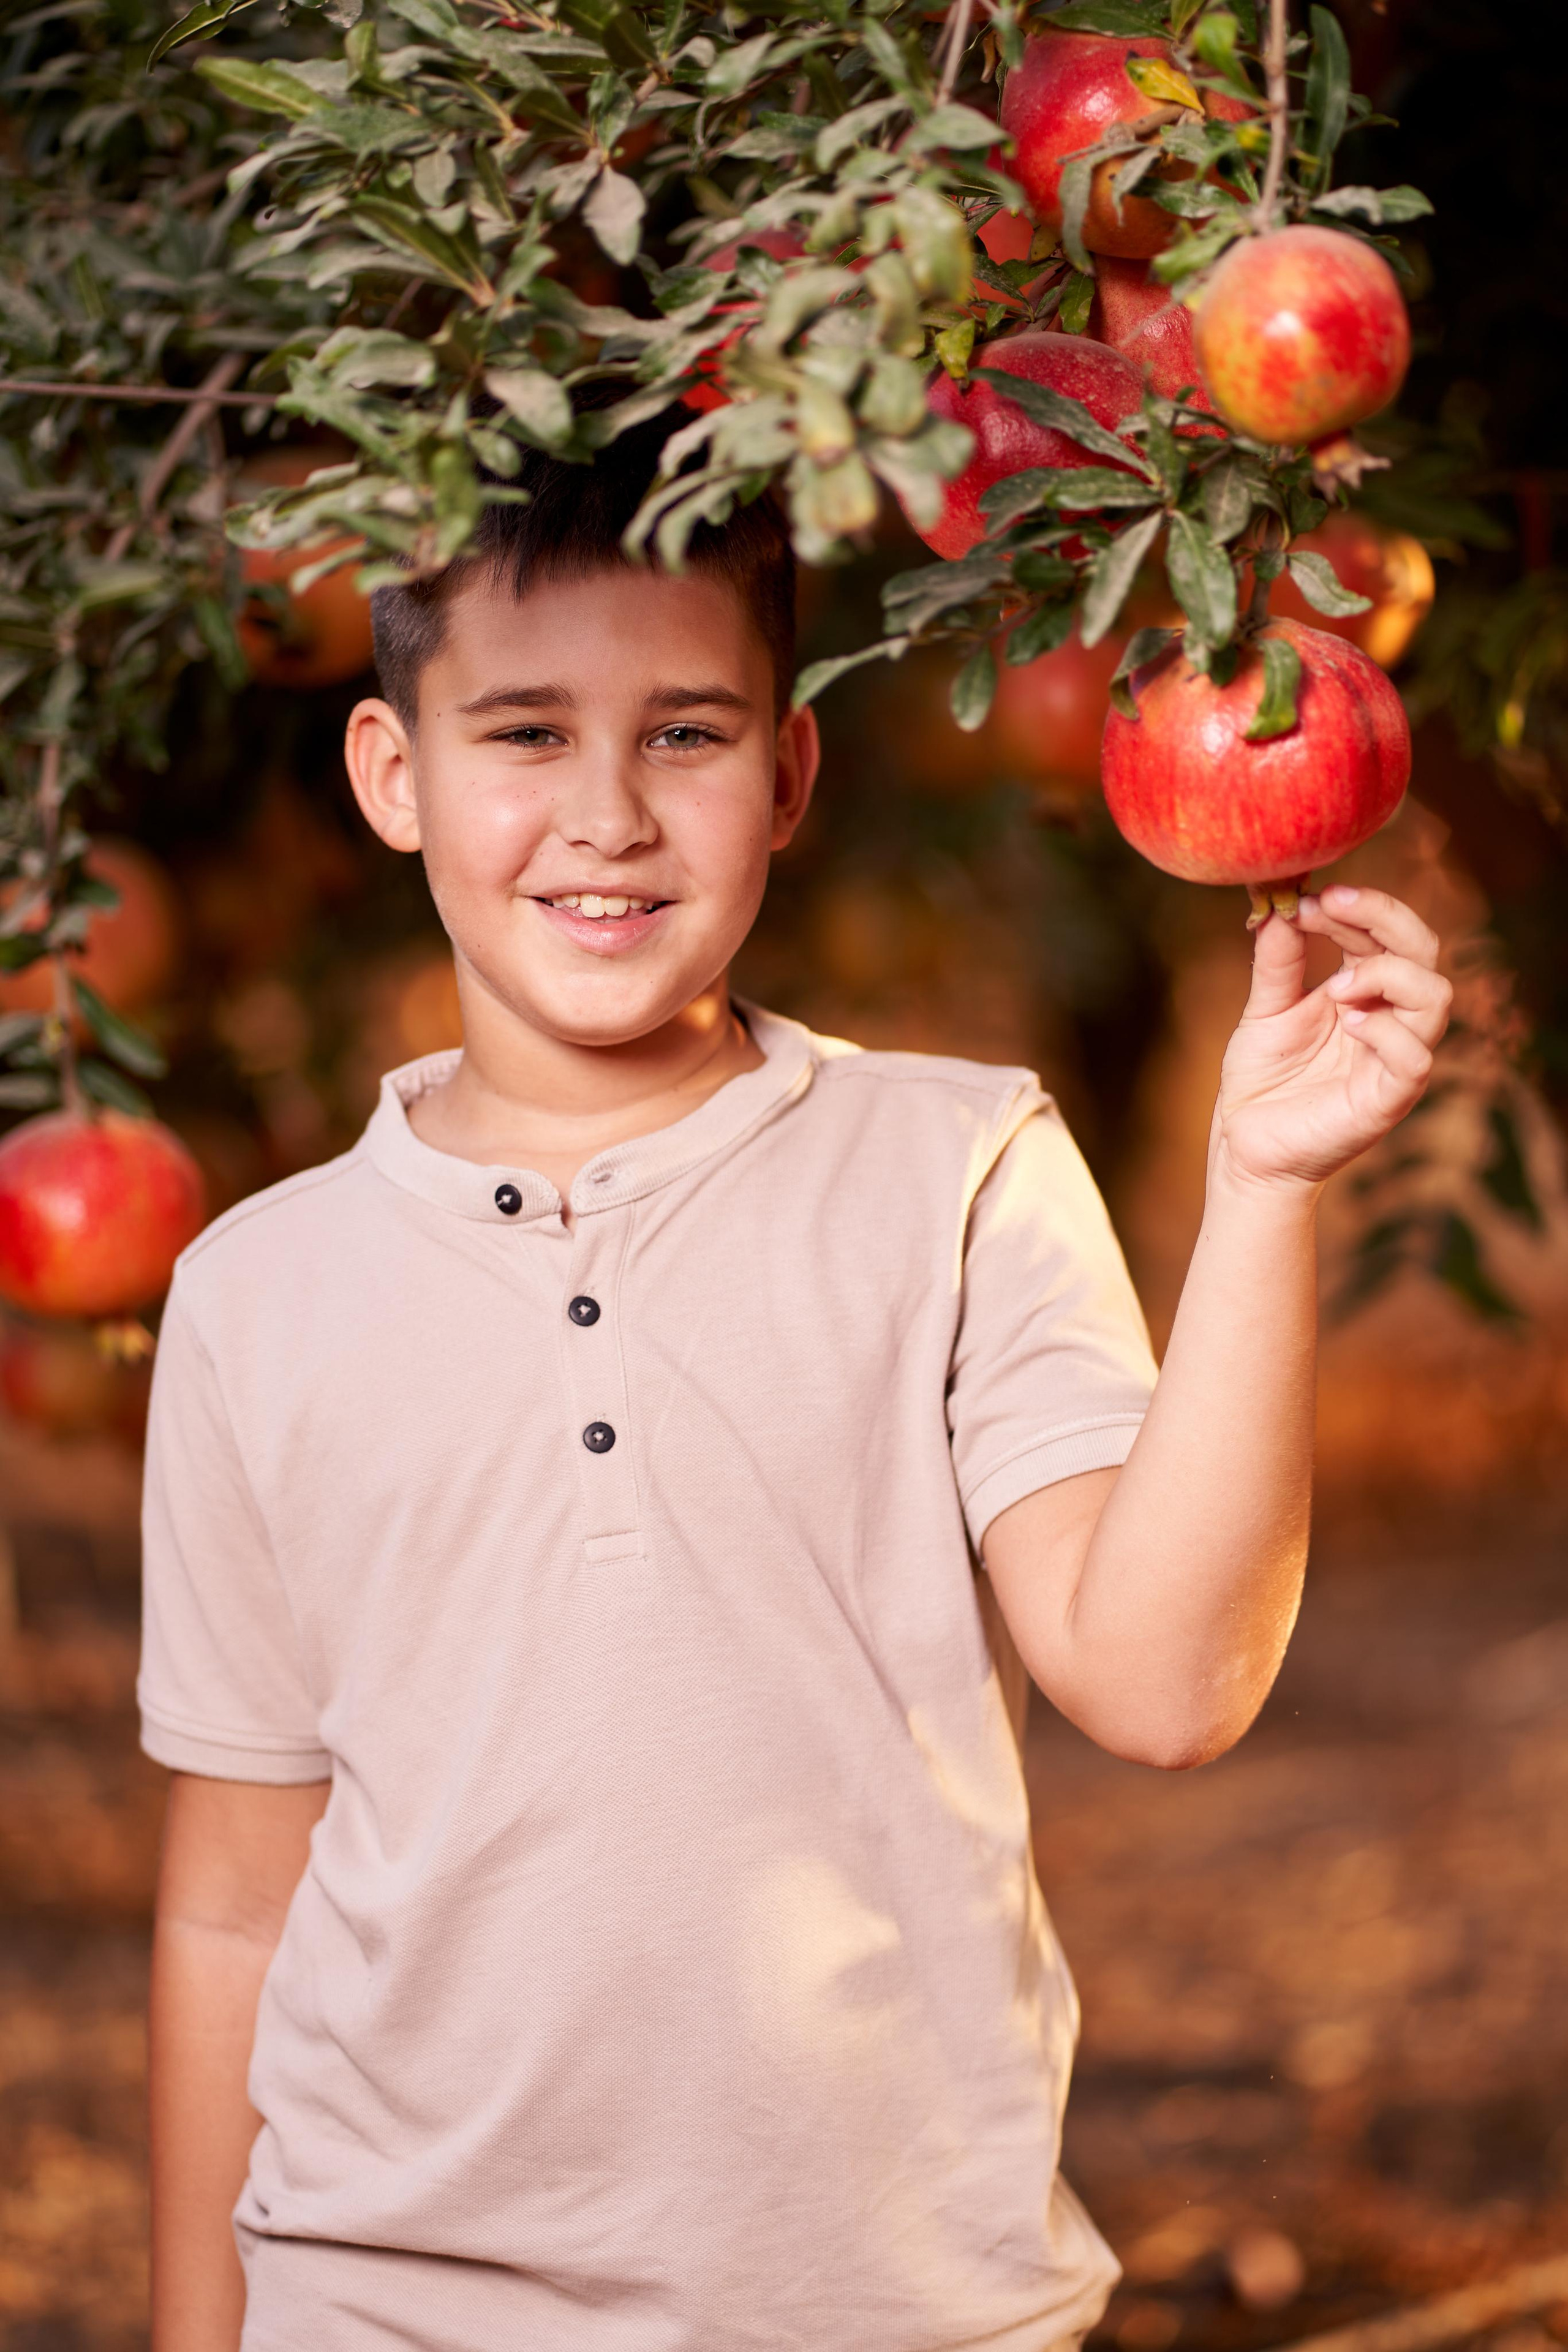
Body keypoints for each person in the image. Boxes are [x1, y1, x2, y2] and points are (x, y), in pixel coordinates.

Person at [141, 410, 1452, 2352]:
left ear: (790, 770)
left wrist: (1257, 1190)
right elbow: (235, 1905)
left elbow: (1164, 1685)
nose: (606, 815)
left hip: (903, 2311)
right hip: (384, 2311)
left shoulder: (962, 1166)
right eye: (522, 735)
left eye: (684, 732)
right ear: (391, 774)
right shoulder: (254, 1294)